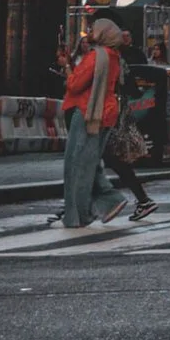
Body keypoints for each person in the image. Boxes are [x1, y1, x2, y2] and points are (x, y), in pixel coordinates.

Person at [59, 19, 133, 236]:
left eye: (93, 29)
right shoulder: (113, 57)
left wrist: (65, 67)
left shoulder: (95, 56)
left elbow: (74, 85)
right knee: (90, 162)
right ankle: (108, 201)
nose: (89, 32)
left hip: (87, 112)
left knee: (76, 165)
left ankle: (79, 214)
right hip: (105, 112)